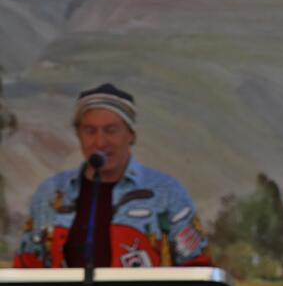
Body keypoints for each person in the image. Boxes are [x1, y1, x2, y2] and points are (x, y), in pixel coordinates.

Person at [13, 83, 210, 268]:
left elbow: (197, 269)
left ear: (131, 135)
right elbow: (27, 267)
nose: (100, 142)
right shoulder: (51, 193)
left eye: (111, 130)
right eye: (90, 131)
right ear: (79, 135)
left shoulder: (167, 193)